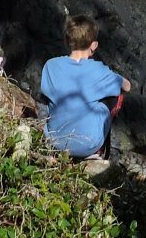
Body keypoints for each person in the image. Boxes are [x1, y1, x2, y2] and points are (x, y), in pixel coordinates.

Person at [39, 14, 132, 159]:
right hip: (88, 145)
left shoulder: (50, 66)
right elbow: (127, 86)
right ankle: (99, 150)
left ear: (66, 40)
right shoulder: (98, 70)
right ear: (94, 45)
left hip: (55, 141)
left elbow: (45, 98)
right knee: (115, 95)